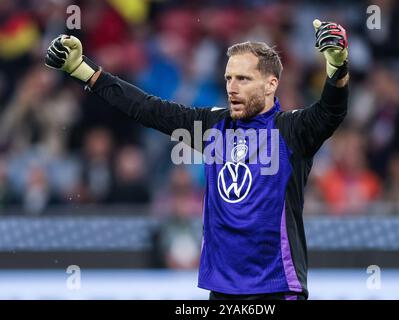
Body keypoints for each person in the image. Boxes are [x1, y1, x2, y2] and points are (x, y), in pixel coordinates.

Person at [44, 19, 349, 300]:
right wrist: (84, 71)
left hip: (277, 288)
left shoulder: (292, 130)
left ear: (271, 84)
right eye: (229, 78)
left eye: (243, 79)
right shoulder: (214, 126)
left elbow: (330, 111)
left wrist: (336, 66)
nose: (232, 87)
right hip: (221, 290)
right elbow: (148, 109)